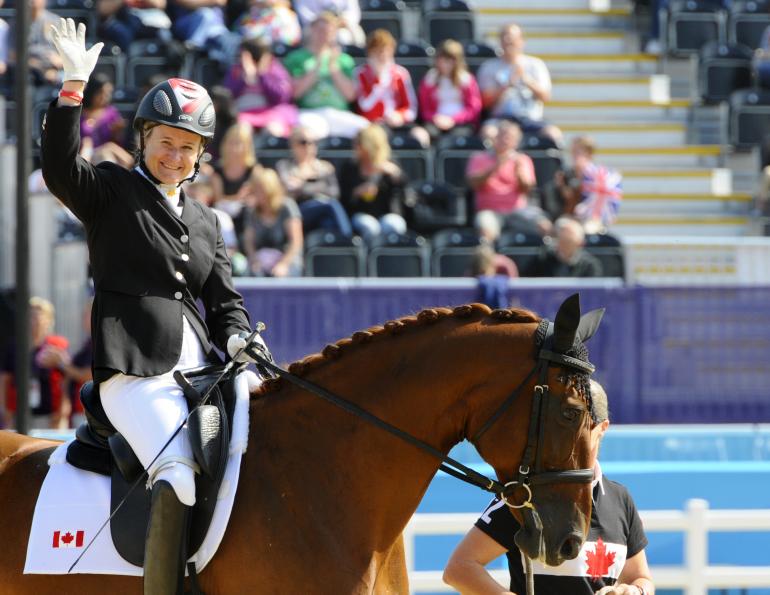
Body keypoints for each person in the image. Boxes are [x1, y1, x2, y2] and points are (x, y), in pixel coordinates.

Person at [42, 18, 267, 593]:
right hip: (135, 370)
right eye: (165, 141)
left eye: (187, 147)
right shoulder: (113, 191)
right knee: (178, 474)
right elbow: (61, 169)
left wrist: (241, 335)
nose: (174, 154)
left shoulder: (207, 220)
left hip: (203, 375)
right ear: (144, 139)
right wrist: (72, 88)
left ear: (199, 157)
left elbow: (224, 299)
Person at [444, 379, 655, 595]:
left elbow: (640, 577)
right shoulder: (526, 494)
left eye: (578, 424)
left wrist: (635, 591)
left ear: (602, 428)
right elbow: (459, 568)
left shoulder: (620, 498)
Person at [284, 10, 369, 139]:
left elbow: (350, 96)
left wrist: (333, 67)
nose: (324, 35)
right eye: (320, 31)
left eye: (328, 31)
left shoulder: (344, 60)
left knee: (367, 131)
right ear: (311, 30)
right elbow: (295, 93)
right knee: (305, 133)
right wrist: (317, 65)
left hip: (339, 114)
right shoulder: (296, 58)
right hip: (309, 112)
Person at [476, 23, 561, 144]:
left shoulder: (535, 65)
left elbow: (546, 96)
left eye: (512, 38)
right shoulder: (489, 67)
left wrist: (526, 80)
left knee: (553, 134)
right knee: (488, 132)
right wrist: (507, 85)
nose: (508, 41)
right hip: (501, 119)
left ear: (522, 41)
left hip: (531, 119)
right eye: (504, 38)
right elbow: (485, 102)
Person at [466, 120, 550, 242]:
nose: (505, 139)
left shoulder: (522, 160)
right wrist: (494, 167)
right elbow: (473, 183)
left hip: (517, 211)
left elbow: (528, 189)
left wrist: (520, 175)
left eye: (509, 137)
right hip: (490, 210)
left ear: (516, 142)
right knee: (485, 230)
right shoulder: (479, 157)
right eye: (502, 135)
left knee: (545, 226)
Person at [0, 297, 69, 430]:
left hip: (50, 414)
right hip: (19, 413)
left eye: (39, 317)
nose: (35, 321)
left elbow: (67, 379)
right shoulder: (14, 347)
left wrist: (63, 408)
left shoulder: (57, 346)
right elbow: (5, 380)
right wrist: (4, 408)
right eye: (30, 316)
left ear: (49, 321)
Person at [275, 124, 352, 236]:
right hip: (297, 212)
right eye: (303, 142)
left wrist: (303, 185)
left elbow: (334, 193)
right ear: (292, 144)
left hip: (323, 211)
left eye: (313, 142)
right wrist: (319, 186)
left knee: (328, 222)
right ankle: (348, 239)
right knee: (330, 205)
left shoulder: (325, 167)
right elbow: (289, 190)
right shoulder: (285, 166)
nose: (308, 146)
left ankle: (335, 249)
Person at [338, 123, 409, 242]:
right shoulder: (350, 166)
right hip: (360, 212)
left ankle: (390, 258)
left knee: (394, 224)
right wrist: (357, 192)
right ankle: (369, 259)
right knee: (370, 226)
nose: (355, 146)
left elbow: (404, 191)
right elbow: (343, 198)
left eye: (359, 143)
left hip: (387, 212)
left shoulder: (390, 163)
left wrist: (395, 174)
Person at [223, 37, 298, 138]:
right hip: (244, 114)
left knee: (273, 130)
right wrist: (244, 78)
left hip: (272, 113)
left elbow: (281, 97)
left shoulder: (275, 70)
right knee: (242, 131)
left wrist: (262, 75)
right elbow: (228, 95)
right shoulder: (236, 71)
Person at [546, 136, 622, 234]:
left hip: (592, 219)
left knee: (587, 230)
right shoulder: (568, 174)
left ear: (589, 152)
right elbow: (568, 202)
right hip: (572, 218)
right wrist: (563, 187)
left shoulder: (597, 175)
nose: (574, 155)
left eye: (578, 151)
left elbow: (602, 195)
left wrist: (582, 176)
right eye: (573, 151)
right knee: (561, 226)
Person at [355, 29, 420, 136]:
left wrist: (400, 116)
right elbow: (365, 106)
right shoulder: (360, 74)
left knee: (419, 135)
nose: (383, 55)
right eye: (378, 51)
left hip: (398, 123)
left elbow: (411, 108)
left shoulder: (401, 73)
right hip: (372, 125)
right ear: (370, 53)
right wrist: (379, 80)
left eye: (386, 50)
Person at [242, 166, 304, 277]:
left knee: (281, 275)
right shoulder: (252, 212)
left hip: (287, 259)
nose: (258, 193)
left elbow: (296, 242)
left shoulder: (287, 207)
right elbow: (248, 242)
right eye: (256, 189)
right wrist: (254, 259)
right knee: (252, 273)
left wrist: (283, 264)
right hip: (261, 259)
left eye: (261, 188)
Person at [418, 39, 483, 141]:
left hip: (461, 123)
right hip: (436, 121)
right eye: (442, 59)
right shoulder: (430, 78)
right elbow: (424, 108)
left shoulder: (466, 80)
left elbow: (473, 108)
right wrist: (435, 118)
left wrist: (453, 119)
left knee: (458, 138)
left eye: (449, 60)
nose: (445, 64)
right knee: (430, 133)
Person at [210, 121, 260, 247]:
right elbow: (218, 200)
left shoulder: (254, 170)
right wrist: (238, 198)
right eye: (231, 142)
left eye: (239, 143)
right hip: (224, 217)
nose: (234, 148)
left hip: (247, 220)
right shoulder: (218, 171)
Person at [79, 72, 133, 167]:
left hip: (107, 154)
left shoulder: (111, 113)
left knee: (108, 151)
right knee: (89, 145)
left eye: (108, 93)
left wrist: (117, 132)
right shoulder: (79, 112)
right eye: (101, 92)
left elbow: (117, 142)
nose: (105, 97)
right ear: (92, 92)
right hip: (83, 155)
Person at [526, 216, 603, 278]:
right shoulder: (543, 259)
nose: (563, 245)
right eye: (562, 240)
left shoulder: (590, 265)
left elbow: (592, 293)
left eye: (568, 242)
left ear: (580, 244)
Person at [96, 0, 171, 52]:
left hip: (150, 20)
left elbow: (160, 4)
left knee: (165, 35)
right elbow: (103, 10)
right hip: (123, 22)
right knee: (122, 34)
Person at [293, 0, 365, 47]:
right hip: (314, 27)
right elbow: (305, 14)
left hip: (341, 26)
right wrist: (324, 22)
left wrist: (339, 21)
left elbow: (354, 13)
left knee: (353, 36)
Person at [234, 0, 301, 46]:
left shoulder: (285, 15)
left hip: (281, 56)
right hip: (253, 54)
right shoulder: (248, 15)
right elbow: (239, 35)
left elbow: (293, 40)